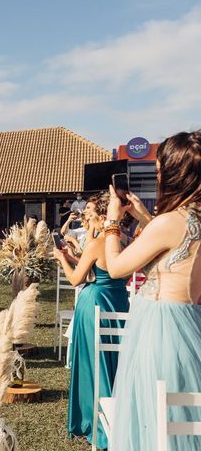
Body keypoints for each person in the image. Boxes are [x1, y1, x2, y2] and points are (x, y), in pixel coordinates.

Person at [105, 130, 201, 450]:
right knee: (184, 416)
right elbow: (173, 258)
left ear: (176, 173)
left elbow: (116, 268)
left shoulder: (169, 222)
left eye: (160, 170)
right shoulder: (190, 219)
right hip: (191, 323)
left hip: (161, 331)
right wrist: (146, 218)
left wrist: (112, 221)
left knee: (156, 417)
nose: (158, 177)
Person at [53, 192, 129, 449]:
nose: (86, 219)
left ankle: (92, 421)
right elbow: (105, 270)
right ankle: (119, 417)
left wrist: (63, 258)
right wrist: (76, 257)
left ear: (102, 218)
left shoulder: (96, 244)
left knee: (91, 362)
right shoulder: (125, 241)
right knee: (115, 360)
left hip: (92, 303)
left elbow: (77, 279)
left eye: (89, 215)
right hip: (118, 302)